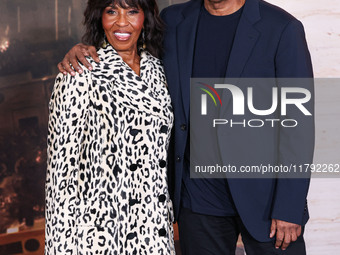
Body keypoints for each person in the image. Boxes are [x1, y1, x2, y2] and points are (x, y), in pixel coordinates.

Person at [58, 0, 315, 254]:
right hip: (198, 201)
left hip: (266, 200)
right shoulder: (174, 20)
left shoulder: (281, 28)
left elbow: (298, 126)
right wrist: (83, 50)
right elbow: (127, 44)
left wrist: (288, 206)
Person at [45, 0, 175, 254]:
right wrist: (58, 246)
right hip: (99, 229)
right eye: (112, 11)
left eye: (132, 11)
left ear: (145, 18)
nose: (122, 22)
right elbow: (60, 171)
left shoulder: (160, 70)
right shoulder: (79, 71)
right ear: (100, 18)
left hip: (153, 224)